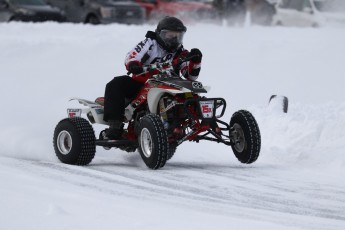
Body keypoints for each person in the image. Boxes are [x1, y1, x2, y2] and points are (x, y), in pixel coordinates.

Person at [103, 16, 203, 140]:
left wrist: (196, 61)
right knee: (115, 84)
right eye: (169, 35)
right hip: (142, 83)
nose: (174, 39)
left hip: (170, 85)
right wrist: (133, 64)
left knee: (193, 92)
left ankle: (203, 118)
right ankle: (115, 124)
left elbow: (190, 76)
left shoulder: (180, 52)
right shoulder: (150, 43)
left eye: (177, 36)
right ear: (160, 34)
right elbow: (132, 56)